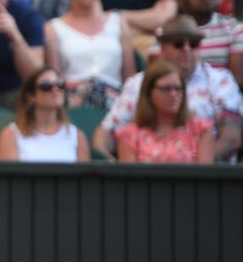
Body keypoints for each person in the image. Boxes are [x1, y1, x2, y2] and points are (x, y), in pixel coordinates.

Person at [93, 14, 242, 160]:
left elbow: (233, 136)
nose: (187, 49)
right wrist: (109, 169)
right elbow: (107, 132)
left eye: (193, 44)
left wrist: (199, 167)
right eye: (178, 44)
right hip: (144, 176)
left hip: (207, 177)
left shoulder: (220, 80)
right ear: (162, 48)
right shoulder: (137, 83)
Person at [44, 0, 135, 109]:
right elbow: (55, 79)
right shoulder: (53, 28)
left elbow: (129, 78)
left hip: (115, 102)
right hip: (73, 102)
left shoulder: (118, 23)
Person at [150, 0, 243, 83]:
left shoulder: (235, 29)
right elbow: (156, 78)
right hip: (176, 97)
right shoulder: (163, 33)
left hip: (220, 98)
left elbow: (236, 81)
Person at [114, 60, 214, 163]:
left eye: (178, 88)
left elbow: (206, 175)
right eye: (166, 89)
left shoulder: (200, 129)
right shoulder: (129, 135)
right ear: (149, 92)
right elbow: (130, 177)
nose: (173, 94)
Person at [0, 66, 90, 162]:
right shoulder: (11, 134)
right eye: (46, 86)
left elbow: (84, 176)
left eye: (60, 84)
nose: (55, 89)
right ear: (31, 96)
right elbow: (10, 176)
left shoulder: (77, 136)